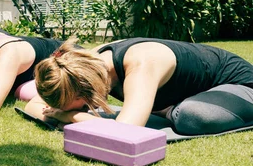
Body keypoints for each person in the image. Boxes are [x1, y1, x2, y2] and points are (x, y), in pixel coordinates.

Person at [25, 37, 253, 135]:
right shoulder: (85, 65)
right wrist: (60, 111)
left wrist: (70, 118)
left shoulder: (140, 64)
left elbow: (124, 131)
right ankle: (164, 108)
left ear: (88, 88)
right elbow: (31, 106)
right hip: (196, 90)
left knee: (191, 116)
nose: (71, 109)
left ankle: (167, 109)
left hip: (239, 85)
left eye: (76, 105)